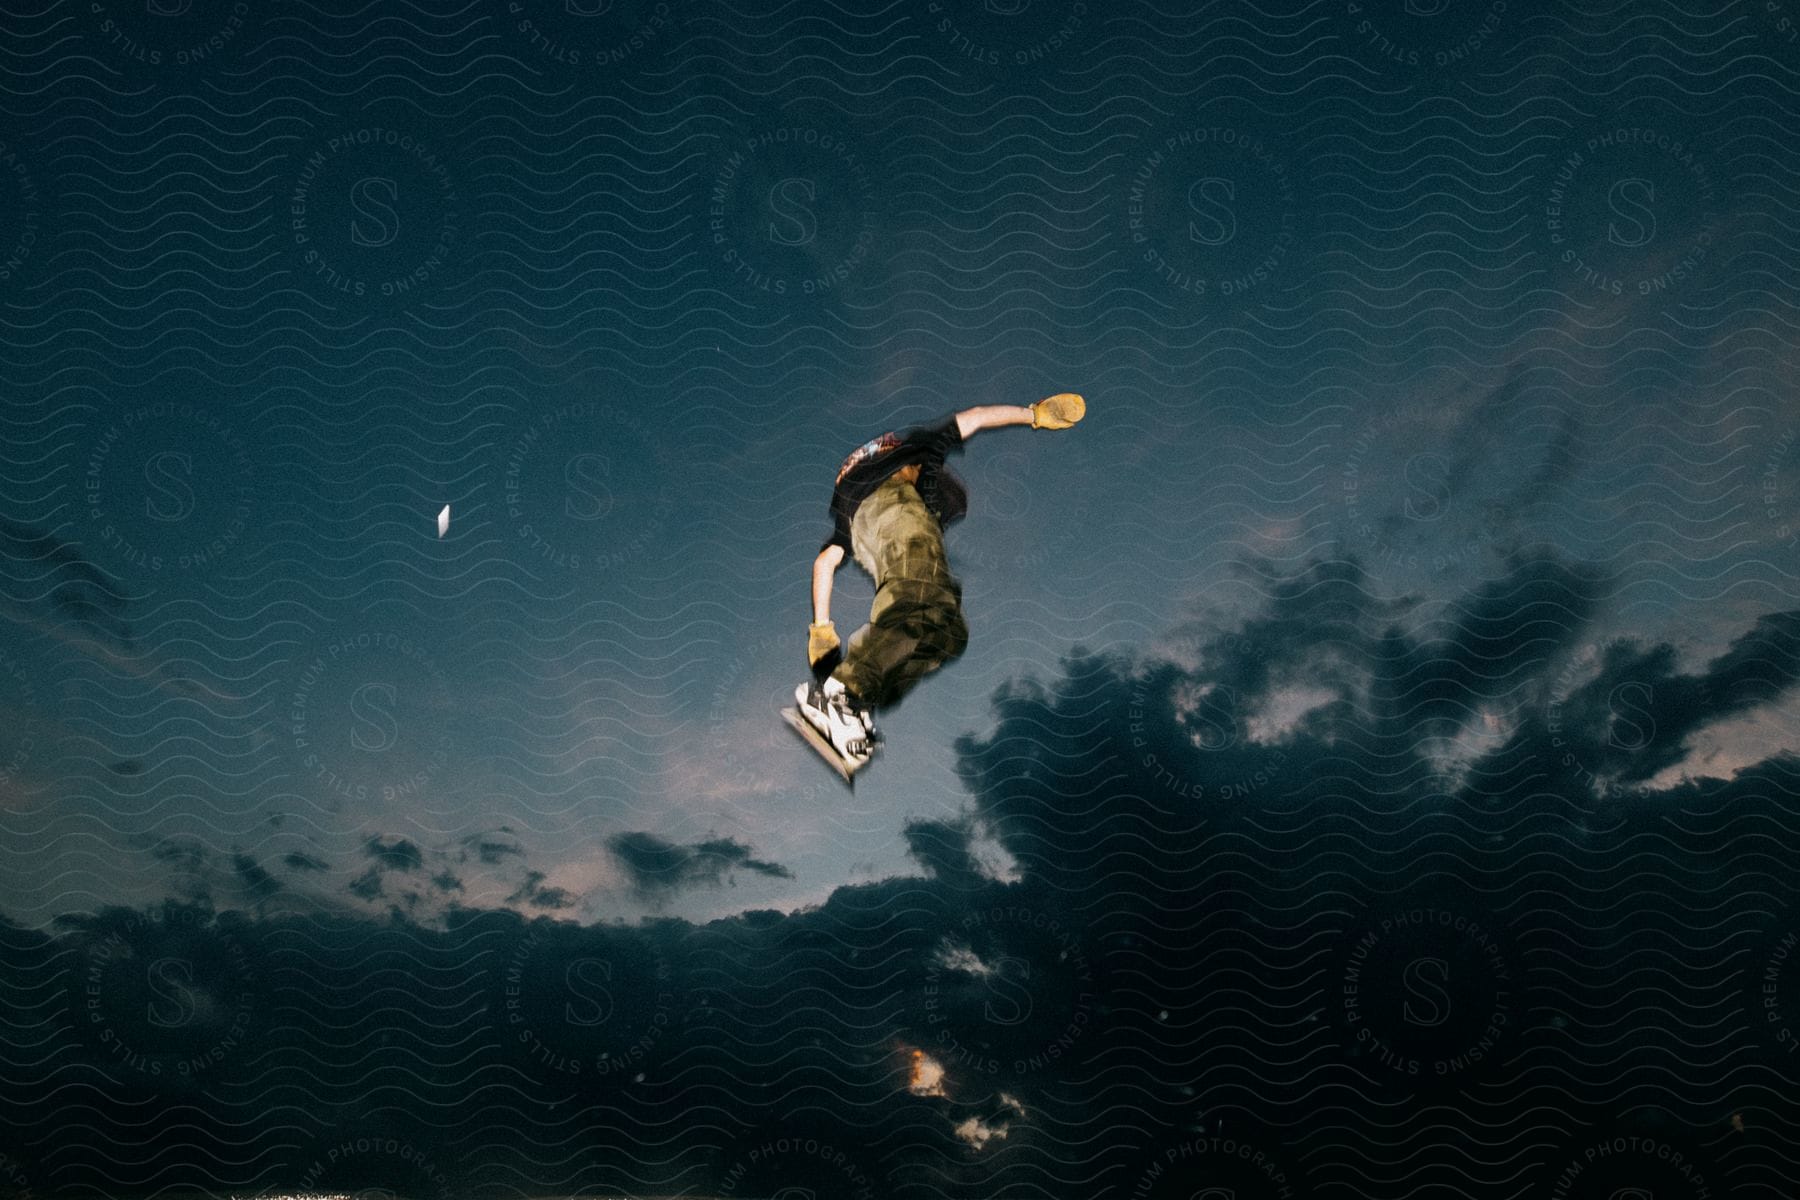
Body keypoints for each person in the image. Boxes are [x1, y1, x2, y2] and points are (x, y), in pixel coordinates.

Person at [795, 393, 1086, 770]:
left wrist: (822, 630)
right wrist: (1033, 415)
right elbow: (978, 416)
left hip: (870, 531)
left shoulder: (850, 517)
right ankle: (840, 694)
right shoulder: (918, 455)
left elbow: (825, 562)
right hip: (893, 504)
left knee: (946, 632)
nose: (941, 519)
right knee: (922, 589)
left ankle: (853, 701)